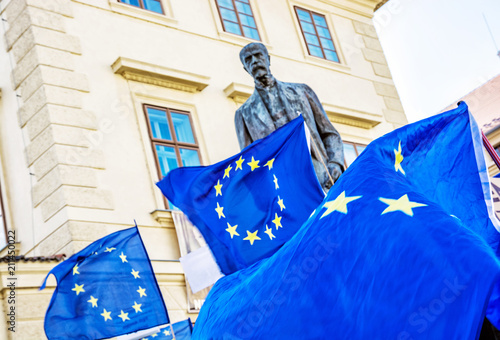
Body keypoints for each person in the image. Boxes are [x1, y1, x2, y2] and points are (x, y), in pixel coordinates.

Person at [234, 42, 344, 191]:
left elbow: (329, 132)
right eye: (248, 59)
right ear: (245, 69)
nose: (254, 61)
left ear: (268, 59)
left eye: (258, 56)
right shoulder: (243, 114)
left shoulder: (302, 91)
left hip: (320, 172)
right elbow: (250, 162)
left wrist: (335, 162)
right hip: (283, 184)